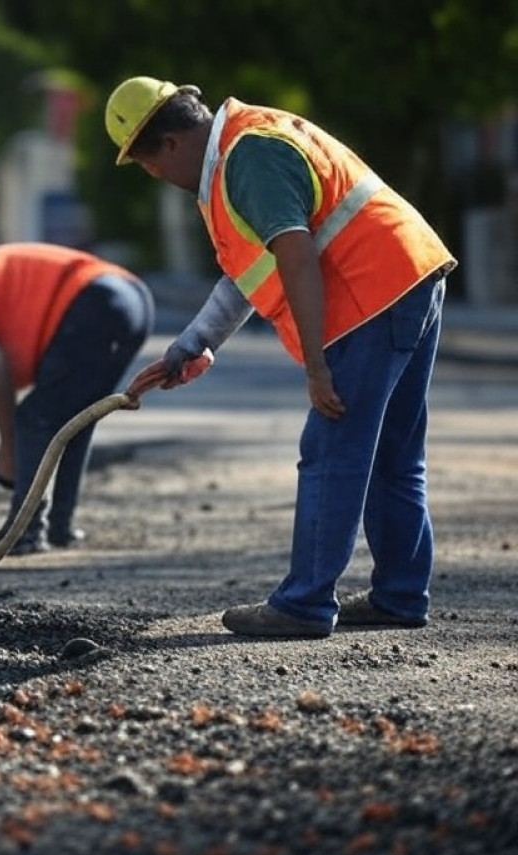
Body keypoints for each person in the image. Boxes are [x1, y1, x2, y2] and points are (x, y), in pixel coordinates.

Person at [105, 76, 456, 637]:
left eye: (148, 165)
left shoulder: (249, 158)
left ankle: (305, 604)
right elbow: (250, 271)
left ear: (169, 144)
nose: (156, 177)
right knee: (393, 454)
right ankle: (400, 596)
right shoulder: (243, 148)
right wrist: (192, 345)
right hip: (406, 278)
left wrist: (317, 367)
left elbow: (294, 255)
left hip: (370, 298)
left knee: (331, 450)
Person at [0, 242, 153, 554]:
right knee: (76, 420)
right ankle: (59, 528)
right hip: (131, 298)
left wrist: (8, 450)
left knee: (33, 419)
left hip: (91, 300)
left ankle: (26, 533)